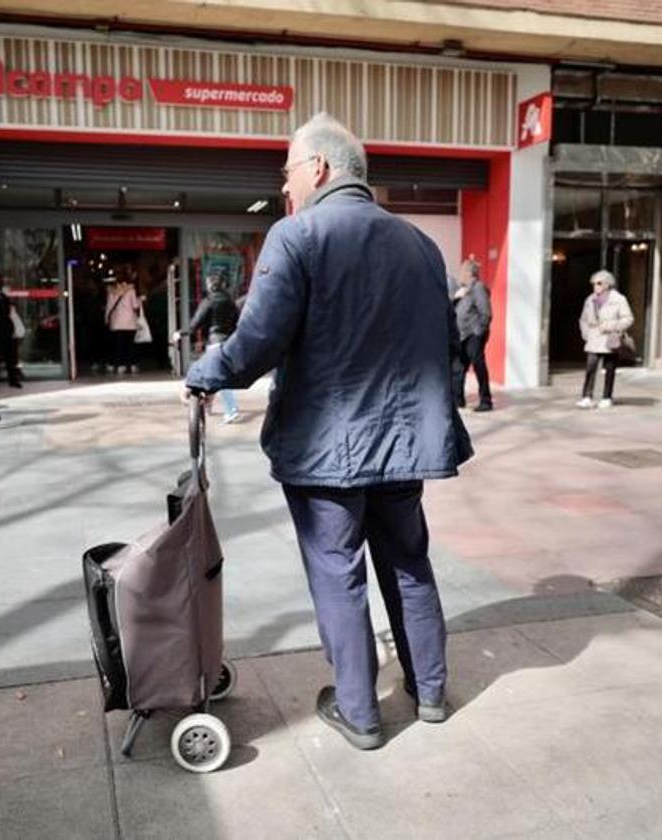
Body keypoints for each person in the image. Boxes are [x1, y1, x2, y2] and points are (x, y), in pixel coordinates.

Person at [183, 112, 473, 751]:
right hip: (405, 446)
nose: (284, 187)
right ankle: (430, 693)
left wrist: (207, 372)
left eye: (286, 172)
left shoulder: (298, 235)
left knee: (337, 572)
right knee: (410, 564)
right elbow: (450, 348)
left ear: (317, 167)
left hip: (327, 451)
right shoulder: (422, 246)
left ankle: (360, 713)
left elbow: (258, 341)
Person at [173, 272, 241, 423]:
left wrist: (181, 333)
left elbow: (196, 323)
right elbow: (237, 322)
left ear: (210, 285)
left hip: (216, 342)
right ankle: (210, 406)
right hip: (230, 342)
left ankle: (231, 409)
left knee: (217, 374)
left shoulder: (209, 301)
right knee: (216, 373)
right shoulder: (230, 301)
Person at [576, 270, 635, 409]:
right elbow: (583, 318)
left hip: (610, 338)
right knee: (590, 367)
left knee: (609, 368)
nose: (595, 286)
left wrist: (610, 326)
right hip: (594, 338)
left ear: (607, 284)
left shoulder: (619, 299)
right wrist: (585, 333)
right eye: (594, 283)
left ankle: (607, 397)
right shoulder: (590, 299)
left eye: (599, 283)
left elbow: (629, 318)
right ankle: (587, 397)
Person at [450, 257, 493, 412]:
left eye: (462, 270)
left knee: (479, 366)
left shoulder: (478, 288)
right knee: (458, 368)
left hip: (473, 335)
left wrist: (478, 332)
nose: (460, 274)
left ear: (469, 272)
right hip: (462, 335)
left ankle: (486, 401)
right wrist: (456, 297)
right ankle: (458, 400)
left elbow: (486, 313)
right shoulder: (463, 290)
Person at [105, 273, 141, 374]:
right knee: (130, 345)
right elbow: (135, 306)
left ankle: (120, 365)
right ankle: (132, 364)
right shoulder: (131, 291)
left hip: (116, 322)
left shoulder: (112, 292)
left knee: (118, 345)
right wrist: (140, 300)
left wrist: (107, 319)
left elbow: (109, 307)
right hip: (129, 322)